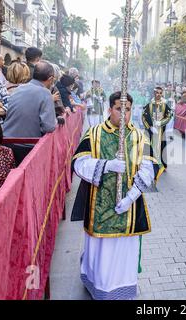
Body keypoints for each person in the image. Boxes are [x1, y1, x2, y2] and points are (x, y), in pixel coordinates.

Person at [70, 91, 163, 300]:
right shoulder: (94, 133)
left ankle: (123, 288)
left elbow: (150, 167)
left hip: (129, 207)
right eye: (119, 109)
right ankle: (99, 285)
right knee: (101, 251)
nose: (123, 114)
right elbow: (78, 162)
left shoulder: (140, 136)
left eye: (127, 109)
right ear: (109, 109)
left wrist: (132, 196)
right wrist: (105, 165)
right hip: (100, 205)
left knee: (124, 251)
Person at [142, 87, 173, 169]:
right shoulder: (149, 104)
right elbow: (144, 117)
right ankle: (150, 162)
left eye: (160, 93)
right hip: (151, 130)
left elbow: (169, 115)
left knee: (160, 145)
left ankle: (159, 163)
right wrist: (150, 127)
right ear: (154, 93)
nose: (158, 94)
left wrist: (161, 122)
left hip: (161, 130)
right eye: (157, 93)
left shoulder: (165, 105)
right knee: (149, 145)